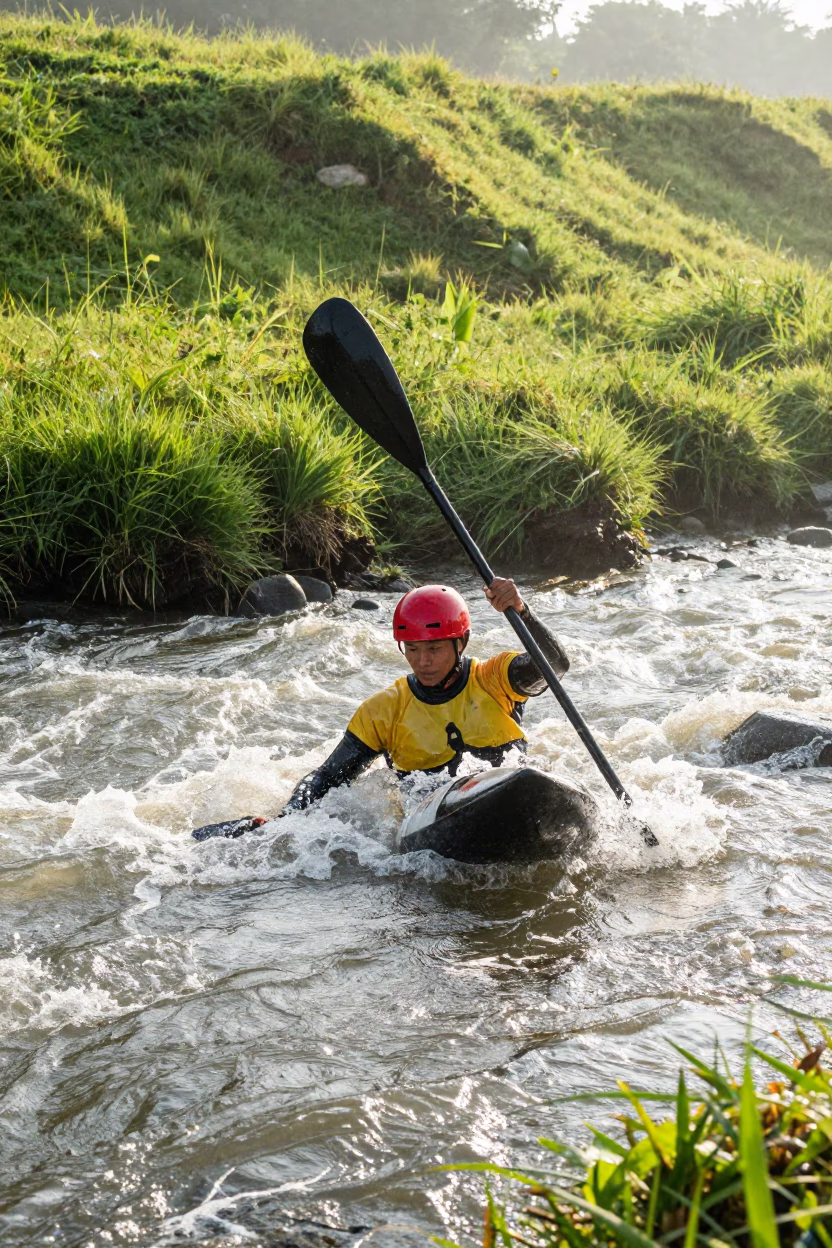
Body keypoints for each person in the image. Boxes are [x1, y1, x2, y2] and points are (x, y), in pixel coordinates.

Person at [191, 578, 568, 840]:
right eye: (413, 649)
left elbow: (554, 665)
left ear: (461, 642)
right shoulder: (383, 710)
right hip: (431, 814)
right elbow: (328, 778)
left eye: (434, 648)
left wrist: (521, 609)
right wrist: (285, 822)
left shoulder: (495, 678)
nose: (423, 661)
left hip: (506, 792)